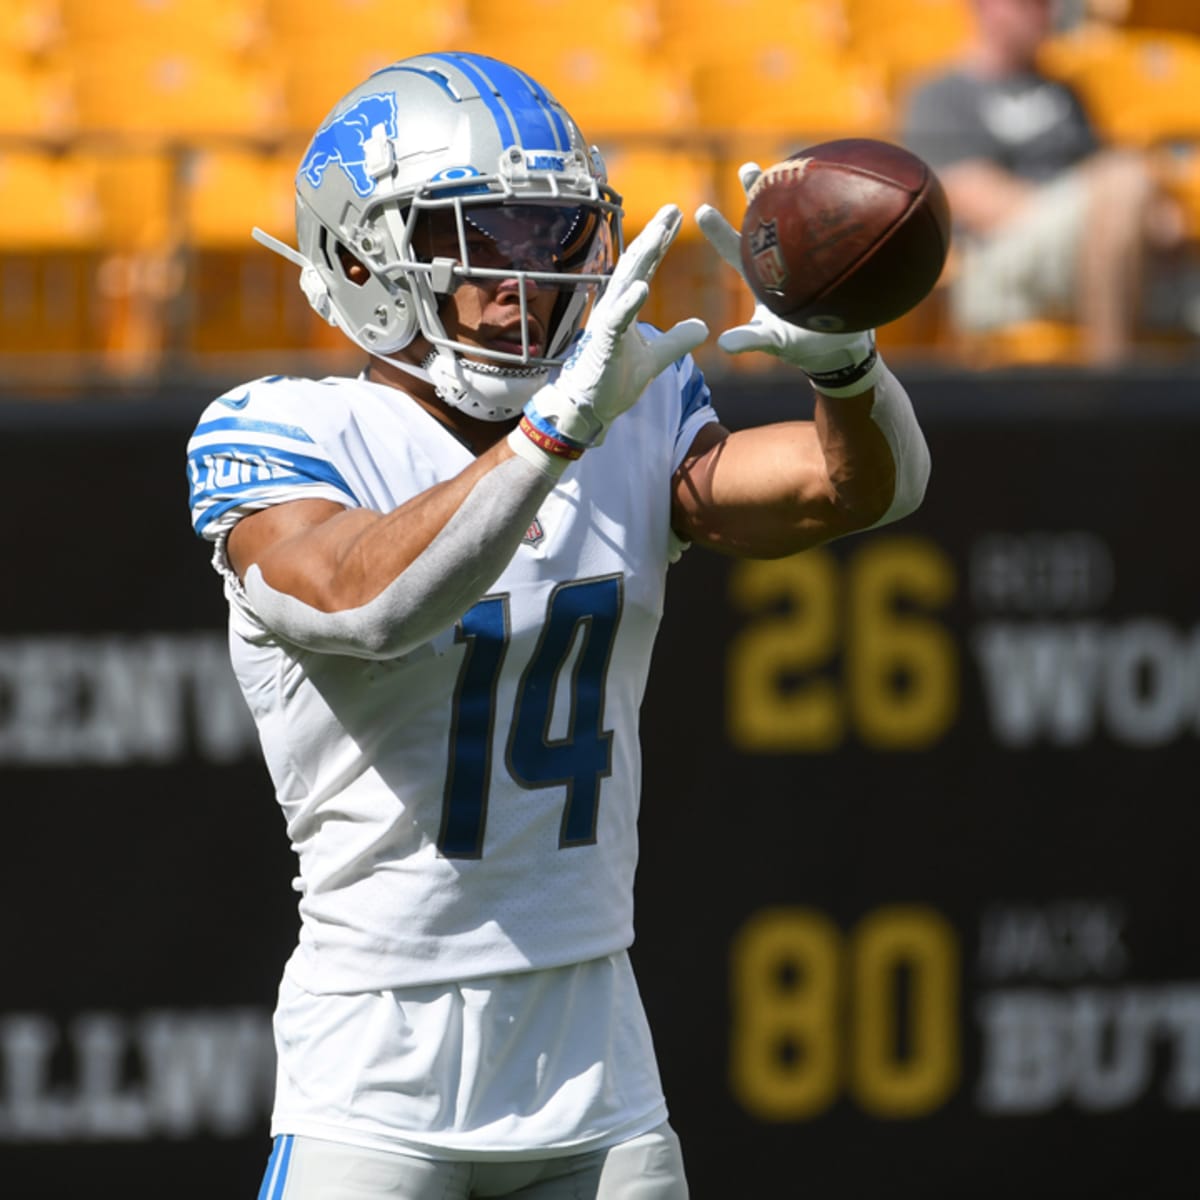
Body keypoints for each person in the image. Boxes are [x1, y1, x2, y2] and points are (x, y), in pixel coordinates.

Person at [186, 51, 930, 1200]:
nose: (521, 275)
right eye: (477, 232)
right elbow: (366, 600)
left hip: (597, 1046)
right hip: (380, 1061)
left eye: (547, 234)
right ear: (357, 256)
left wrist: (846, 367)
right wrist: (548, 439)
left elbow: (854, 490)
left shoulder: (618, 414)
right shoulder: (283, 431)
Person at [900, 0, 1184, 364]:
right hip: (999, 261)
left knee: (1136, 190)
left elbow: (1124, 200)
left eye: (1047, 4)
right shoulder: (941, 93)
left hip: (1079, 240)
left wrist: (1115, 212)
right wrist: (1100, 209)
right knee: (1125, 176)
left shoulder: (1064, 92)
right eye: (1028, 4)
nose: (1045, 14)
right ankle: (1111, 376)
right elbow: (976, 199)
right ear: (985, 8)